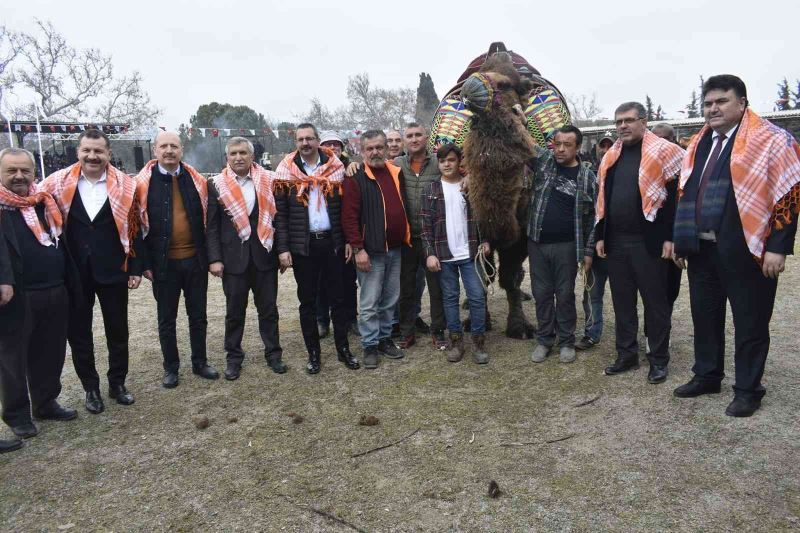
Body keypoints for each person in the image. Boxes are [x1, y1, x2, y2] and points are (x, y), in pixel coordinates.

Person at [672, 74, 799, 417]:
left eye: (721, 101)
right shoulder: (699, 142)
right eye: (708, 103)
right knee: (705, 316)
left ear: (742, 102)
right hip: (702, 250)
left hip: (749, 250)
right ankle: (707, 375)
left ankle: (748, 389)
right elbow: (688, 192)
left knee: (750, 321)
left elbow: (789, 192)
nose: (713, 108)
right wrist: (682, 240)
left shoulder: (772, 140)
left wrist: (778, 246)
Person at [42, 129, 143, 414]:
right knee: (79, 333)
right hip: (73, 272)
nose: (92, 156)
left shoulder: (127, 185)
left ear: (109, 154)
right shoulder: (55, 184)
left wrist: (134, 267)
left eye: (99, 151)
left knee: (118, 330)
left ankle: (117, 384)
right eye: (87, 150)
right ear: (78, 152)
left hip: (113, 269)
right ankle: (91, 388)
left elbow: (135, 229)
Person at [594, 102, 684, 384]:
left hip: (651, 243)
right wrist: (600, 236)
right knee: (622, 303)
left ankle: (658, 359)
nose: (623, 126)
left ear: (644, 122)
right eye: (619, 121)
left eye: (629, 120)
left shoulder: (666, 153)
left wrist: (671, 237)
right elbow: (603, 201)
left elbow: (676, 201)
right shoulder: (611, 157)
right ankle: (627, 355)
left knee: (656, 304)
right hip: (617, 241)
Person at [0, 148, 80, 450]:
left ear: (34, 172)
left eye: (25, 170)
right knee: (13, 358)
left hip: (54, 288)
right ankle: (17, 414)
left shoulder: (44, 201)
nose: (19, 176)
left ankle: (45, 402)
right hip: (16, 295)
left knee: (50, 350)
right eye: (11, 171)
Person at [135, 131, 219, 389]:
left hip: (195, 261)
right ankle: (171, 368)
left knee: (198, 316)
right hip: (164, 265)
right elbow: (137, 227)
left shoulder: (196, 181)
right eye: (164, 146)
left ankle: (200, 362)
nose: (169, 150)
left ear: (181, 150)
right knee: (166, 319)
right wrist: (145, 264)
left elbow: (209, 222)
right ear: (155, 152)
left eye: (174, 146)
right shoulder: (142, 185)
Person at [274, 124, 359, 374]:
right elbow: (281, 214)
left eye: (309, 138)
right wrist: (283, 248)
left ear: (318, 141)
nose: (305, 143)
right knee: (307, 301)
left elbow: (344, 210)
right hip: (304, 246)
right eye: (301, 139)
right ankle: (314, 354)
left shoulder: (337, 168)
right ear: (296, 142)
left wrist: (346, 242)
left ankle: (343, 349)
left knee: (339, 298)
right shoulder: (285, 171)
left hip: (332, 243)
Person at [207, 137, 285, 380]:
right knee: (234, 313)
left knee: (269, 310)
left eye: (243, 153)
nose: (238, 157)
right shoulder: (216, 184)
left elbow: (278, 219)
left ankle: (274, 355)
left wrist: (282, 250)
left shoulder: (269, 180)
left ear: (252, 157)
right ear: (227, 158)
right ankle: (233, 358)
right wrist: (215, 259)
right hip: (232, 261)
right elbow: (212, 226)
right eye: (233, 154)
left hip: (264, 257)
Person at [527, 125, 597, 364]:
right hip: (537, 243)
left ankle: (566, 341)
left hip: (567, 246)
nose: (560, 149)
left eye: (567, 145)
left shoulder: (587, 176)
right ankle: (545, 339)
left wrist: (588, 252)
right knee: (541, 294)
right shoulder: (544, 162)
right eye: (557, 144)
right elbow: (523, 141)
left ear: (578, 147)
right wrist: (519, 117)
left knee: (565, 294)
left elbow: (593, 219)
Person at [342, 130, 409, 369]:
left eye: (379, 147)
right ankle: (369, 344)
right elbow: (349, 217)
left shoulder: (395, 171)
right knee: (370, 301)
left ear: (387, 147)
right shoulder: (355, 176)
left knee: (390, 299)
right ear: (362, 151)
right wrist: (358, 249)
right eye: (369, 148)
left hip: (395, 248)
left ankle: (384, 339)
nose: (375, 152)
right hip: (370, 251)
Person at [420, 144, 491, 364]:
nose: (447, 164)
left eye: (451, 160)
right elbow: (425, 227)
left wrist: (486, 240)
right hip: (444, 256)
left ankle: (478, 342)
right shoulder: (430, 190)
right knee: (450, 299)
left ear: (459, 161)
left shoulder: (471, 186)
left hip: (470, 253)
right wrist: (430, 254)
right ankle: (457, 342)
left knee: (477, 297)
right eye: (442, 161)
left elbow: (484, 217)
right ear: (438, 163)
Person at [395, 123, 446, 349]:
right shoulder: (396, 165)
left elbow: (463, 173)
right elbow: (367, 170)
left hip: (432, 238)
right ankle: (406, 331)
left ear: (427, 138)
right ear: (405, 141)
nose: (414, 139)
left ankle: (439, 331)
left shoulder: (439, 163)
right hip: (406, 239)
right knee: (406, 288)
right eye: (410, 136)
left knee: (437, 288)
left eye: (418, 135)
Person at [314, 130, 358, 340]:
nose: (332, 148)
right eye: (328, 144)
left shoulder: (351, 169)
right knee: (320, 282)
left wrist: (351, 239)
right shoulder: (314, 169)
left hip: (344, 233)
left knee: (347, 280)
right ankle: (322, 320)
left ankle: (351, 318)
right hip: (321, 234)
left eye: (336, 144)